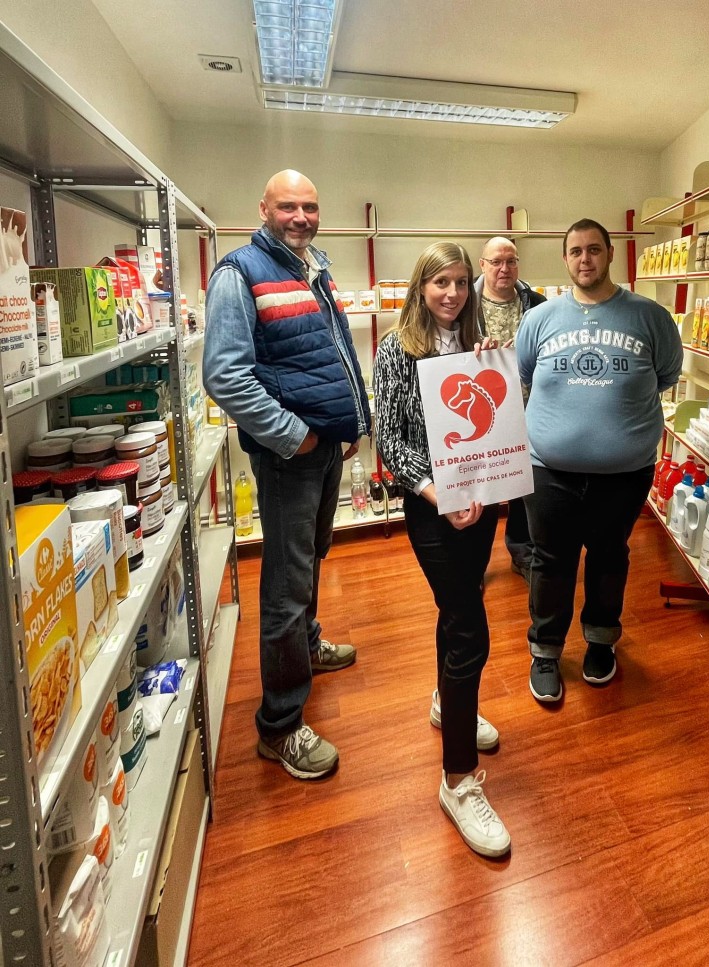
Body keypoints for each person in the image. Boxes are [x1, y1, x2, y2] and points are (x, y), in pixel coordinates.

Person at [203, 170, 370, 780]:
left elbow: (332, 357)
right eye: (288, 206)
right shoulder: (239, 273)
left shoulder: (312, 267)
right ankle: (279, 726)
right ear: (263, 209)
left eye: (310, 207)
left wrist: (348, 424)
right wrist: (292, 435)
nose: (301, 216)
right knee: (285, 585)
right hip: (288, 457)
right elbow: (224, 375)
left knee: (311, 559)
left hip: (323, 447)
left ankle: (307, 643)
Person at [373, 241, 510, 858]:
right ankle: (458, 780)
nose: (452, 294)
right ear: (420, 287)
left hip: (480, 505)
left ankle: (444, 702)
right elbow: (391, 441)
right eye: (440, 283)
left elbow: (497, 422)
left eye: (460, 282)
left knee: (457, 611)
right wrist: (439, 493)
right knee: (470, 632)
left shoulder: (478, 344)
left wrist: (495, 365)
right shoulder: (396, 349)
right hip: (434, 508)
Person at [516, 218, 683, 701]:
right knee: (550, 560)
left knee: (609, 556)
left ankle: (601, 642)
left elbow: (666, 375)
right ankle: (545, 650)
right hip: (548, 470)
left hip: (624, 474)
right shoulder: (540, 318)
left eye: (593, 249)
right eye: (575, 251)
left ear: (610, 253)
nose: (584, 259)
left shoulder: (650, 317)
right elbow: (524, 373)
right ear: (565, 259)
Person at [474, 237, 546, 581]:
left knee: (524, 486)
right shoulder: (464, 304)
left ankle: (522, 552)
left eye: (512, 261)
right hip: (481, 412)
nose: (505, 268)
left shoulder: (537, 304)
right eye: (496, 262)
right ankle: (474, 563)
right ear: (482, 264)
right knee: (481, 487)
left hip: (529, 408)